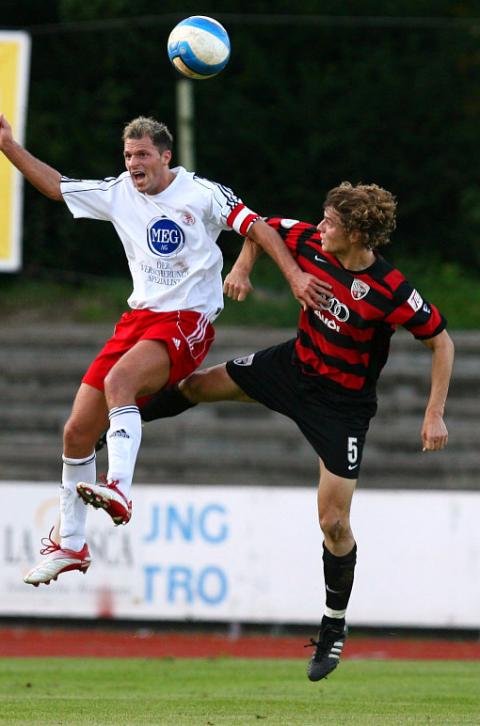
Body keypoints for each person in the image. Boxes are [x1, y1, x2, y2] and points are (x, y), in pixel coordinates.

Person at [0, 111, 330, 586]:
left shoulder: (202, 194)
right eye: (128, 155)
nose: (133, 163)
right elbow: (57, 186)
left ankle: (119, 488)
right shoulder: (118, 191)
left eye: (142, 154)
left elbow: (259, 228)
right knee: (76, 432)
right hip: (139, 319)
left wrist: (287, 276)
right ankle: (71, 545)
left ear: (166, 156)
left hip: (189, 319)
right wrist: (7, 145)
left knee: (119, 382)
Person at [139, 182, 454, 681]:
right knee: (198, 387)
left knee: (333, 523)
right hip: (293, 367)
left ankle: (332, 627)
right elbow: (261, 228)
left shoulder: (391, 289)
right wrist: (241, 267)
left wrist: (434, 412)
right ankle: (114, 424)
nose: (320, 227)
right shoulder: (309, 241)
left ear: (353, 233)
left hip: (342, 408)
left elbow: (441, 342)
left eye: (330, 222)